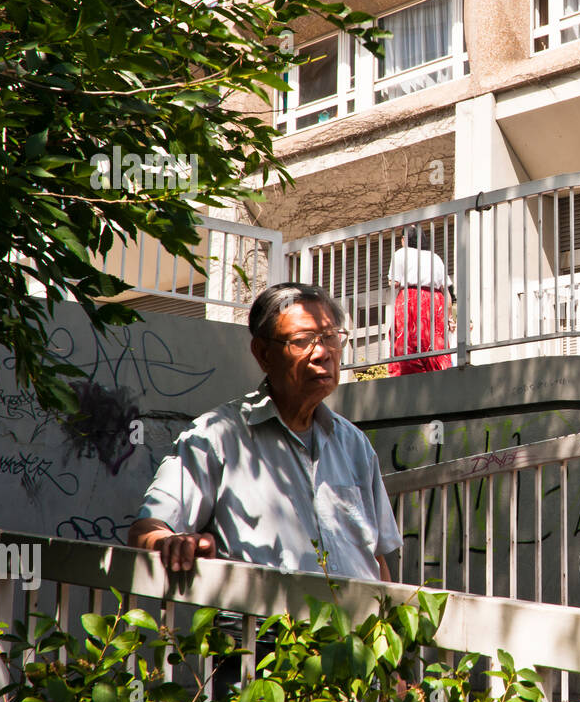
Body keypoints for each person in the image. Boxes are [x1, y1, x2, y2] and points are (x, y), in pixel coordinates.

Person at [129, 282, 401, 582]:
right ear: (263, 353)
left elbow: (375, 557)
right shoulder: (217, 436)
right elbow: (146, 529)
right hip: (264, 628)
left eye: (330, 337)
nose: (322, 353)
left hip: (359, 628)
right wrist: (171, 544)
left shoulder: (353, 444)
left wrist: (387, 626)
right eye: (303, 340)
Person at [386, 227, 453, 376]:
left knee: (407, 340)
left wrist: (391, 280)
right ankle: (440, 372)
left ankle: (407, 375)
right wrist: (449, 318)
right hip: (434, 301)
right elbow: (446, 291)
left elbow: (395, 283)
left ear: (404, 239)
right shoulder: (434, 257)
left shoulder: (401, 254)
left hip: (410, 299)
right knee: (434, 340)